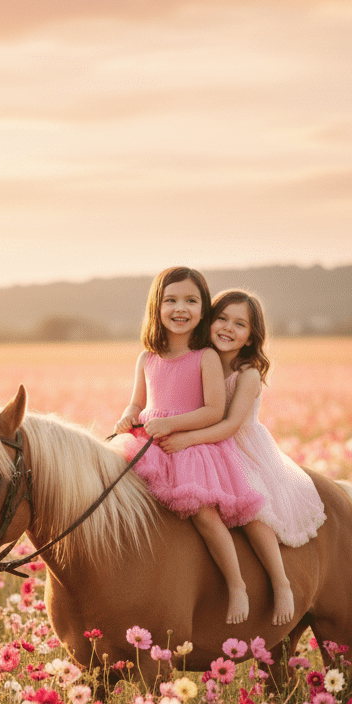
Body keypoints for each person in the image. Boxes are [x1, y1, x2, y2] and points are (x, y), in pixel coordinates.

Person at [157, 289, 326, 626]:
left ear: (252, 336)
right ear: (209, 320)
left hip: (240, 448)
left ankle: (281, 584)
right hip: (206, 445)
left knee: (252, 511)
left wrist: (186, 439)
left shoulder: (247, 374)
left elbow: (231, 426)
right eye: (222, 318)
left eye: (240, 324)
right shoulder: (201, 359)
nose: (228, 328)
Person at [114, 267, 264, 625]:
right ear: (157, 307)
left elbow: (214, 410)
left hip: (190, 449)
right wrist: (128, 415)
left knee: (204, 515)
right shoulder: (147, 357)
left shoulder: (205, 357)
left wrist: (171, 424)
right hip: (148, 444)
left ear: (202, 309)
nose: (180, 309)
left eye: (191, 301)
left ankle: (236, 585)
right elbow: (138, 402)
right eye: (171, 301)